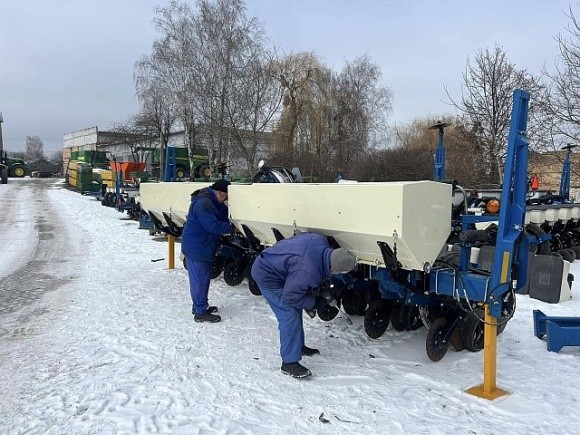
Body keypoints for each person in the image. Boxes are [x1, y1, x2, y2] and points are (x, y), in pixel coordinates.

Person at [251, 232, 357, 379]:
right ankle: (289, 363)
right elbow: (291, 297)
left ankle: (298, 347)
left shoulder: (320, 241)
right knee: (289, 313)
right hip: (267, 275)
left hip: (278, 265)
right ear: (335, 269)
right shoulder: (307, 272)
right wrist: (315, 303)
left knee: (295, 308)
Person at [181, 179, 231, 323]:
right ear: (221, 193)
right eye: (226, 196)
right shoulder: (204, 203)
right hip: (197, 247)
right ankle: (200, 312)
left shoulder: (212, 200)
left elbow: (223, 214)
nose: (226, 200)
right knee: (200, 280)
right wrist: (232, 228)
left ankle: (198, 306)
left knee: (200, 279)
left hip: (200, 245)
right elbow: (212, 225)